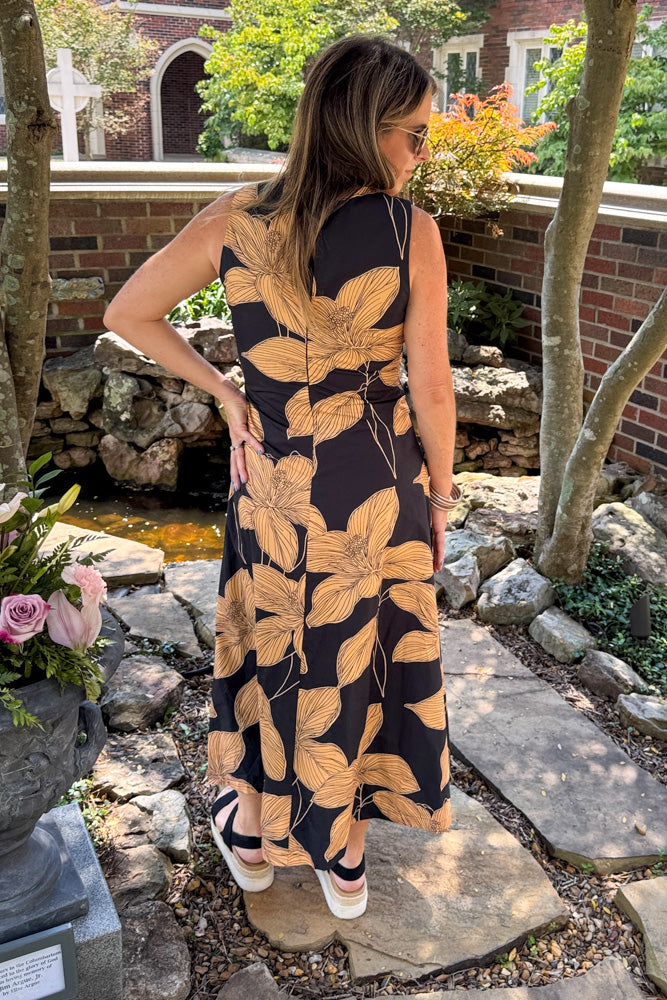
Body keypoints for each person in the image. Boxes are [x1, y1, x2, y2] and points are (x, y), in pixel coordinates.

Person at [103, 33, 457, 921]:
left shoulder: (236, 218)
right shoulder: (408, 232)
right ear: (364, 127)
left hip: (272, 485)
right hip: (378, 485)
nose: (421, 152)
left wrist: (226, 390)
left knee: (273, 644)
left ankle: (256, 837)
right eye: (414, 133)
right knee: (361, 655)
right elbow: (432, 386)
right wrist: (442, 494)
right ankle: (344, 859)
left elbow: (129, 313)